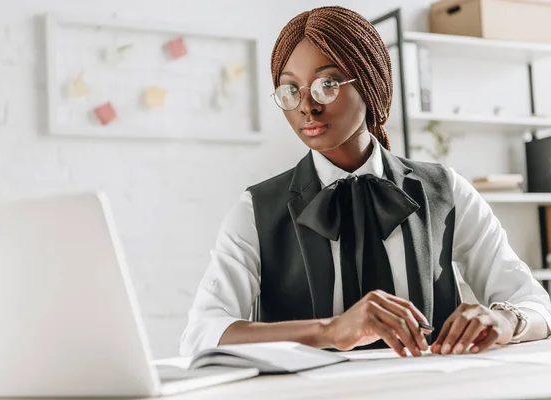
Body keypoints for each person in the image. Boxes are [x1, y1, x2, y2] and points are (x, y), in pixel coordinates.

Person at [180, 6, 551, 358]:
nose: (307, 106)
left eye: (327, 84)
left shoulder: (446, 191)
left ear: (371, 82)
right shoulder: (255, 210)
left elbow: (535, 304)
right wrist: (329, 330)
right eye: (291, 90)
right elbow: (201, 334)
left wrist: (504, 319)